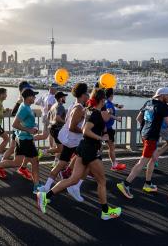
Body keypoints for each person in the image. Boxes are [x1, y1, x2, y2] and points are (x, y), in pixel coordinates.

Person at [37, 89, 122, 220]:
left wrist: (102, 132)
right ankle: (105, 211)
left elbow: (92, 128)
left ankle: (45, 196)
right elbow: (85, 130)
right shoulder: (95, 114)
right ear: (102, 100)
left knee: (73, 179)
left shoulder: (91, 111)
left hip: (84, 149)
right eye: (104, 99)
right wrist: (100, 138)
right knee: (102, 181)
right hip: (91, 151)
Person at [0, 88, 42, 193]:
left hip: (22, 138)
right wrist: (29, 130)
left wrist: (34, 127)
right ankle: (36, 186)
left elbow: (24, 122)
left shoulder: (26, 107)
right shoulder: (24, 108)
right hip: (25, 140)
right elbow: (14, 124)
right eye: (33, 96)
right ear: (28, 97)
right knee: (35, 162)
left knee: (16, 162)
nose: (35, 98)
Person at [117, 87, 168, 198]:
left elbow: (139, 118)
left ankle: (148, 183)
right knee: (142, 162)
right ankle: (125, 184)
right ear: (162, 96)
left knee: (153, 159)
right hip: (151, 137)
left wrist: (146, 127)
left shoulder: (148, 102)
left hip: (144, 134)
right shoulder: (163, 106)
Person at [40, 83, 89, 202]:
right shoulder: (78, 108)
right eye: (87, 92)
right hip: (75, 141)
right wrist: (84, 130)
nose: (88, 94)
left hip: (70, 141)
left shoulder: (74, 105)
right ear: (83, 94)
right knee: (87, 163)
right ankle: (74, 186)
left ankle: (46, 187)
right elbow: (72, 127)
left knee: (62, 163)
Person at [1, 81, 33, 180]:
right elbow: (14, 113)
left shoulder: (24, 99)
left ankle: (20, 167)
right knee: (20, 151)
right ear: (23, 89)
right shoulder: (20, 100)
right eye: (28, 88)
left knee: (14, 148)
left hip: (21, 130)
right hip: (19, 130)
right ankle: (0, 166)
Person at [103, 88, 126, 171]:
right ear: (112, 95)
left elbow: (110, 105)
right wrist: (117, 119)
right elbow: (108, 114)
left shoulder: (107, 102)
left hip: (106, 128)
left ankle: (114, 162)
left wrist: (117, 106)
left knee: (110, 147)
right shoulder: (108, 105)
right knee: (111, 147)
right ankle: (114, 165)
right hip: (107, 128)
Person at [40, 91, 68, 158]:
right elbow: (57, 118)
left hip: (52, 128)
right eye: (64, 97)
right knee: (61, 148)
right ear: (61, 98)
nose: (65, 98)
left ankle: (56, 162)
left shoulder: (53, 106)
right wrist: (66, 122)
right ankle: (44, 151)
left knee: (60, 148)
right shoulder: (60, 106)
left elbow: (48, 116)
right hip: (58, 129)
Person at [36, 83, 58, 152]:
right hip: (49, 117)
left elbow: (36, 102)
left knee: (50, 134)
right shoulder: (52, 97)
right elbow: (49, 107)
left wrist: (43, 107)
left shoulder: (44, 95)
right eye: (56, 88)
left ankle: (51, 148)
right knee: (46, 135)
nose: (56, 90)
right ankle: (29, 139)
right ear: (52, 89)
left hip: (44, 116)